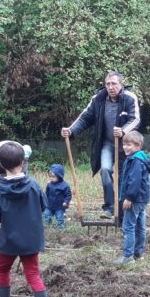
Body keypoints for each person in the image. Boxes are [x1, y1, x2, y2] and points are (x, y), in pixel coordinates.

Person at [60, 71, 141, 219]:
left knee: (124, 177)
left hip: (126, 146)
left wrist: (123, 131)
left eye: (114, 84)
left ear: (121, 85)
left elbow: (135, 119)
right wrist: (71, 131)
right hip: (107, 143)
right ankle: (110, 208)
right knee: (105, 170)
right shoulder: (98, 98)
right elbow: (85, 118)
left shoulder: (129, 98)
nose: (110, 87)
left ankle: (123, 211)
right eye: (108, 84)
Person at [0, 142, 51, 297]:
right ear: (23, 162)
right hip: (31, 239)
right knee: (33, 274)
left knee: (2, 270)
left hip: (8, 240)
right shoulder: (33, 185)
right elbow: (43, 206)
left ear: (0, 164)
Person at [115, 131, 150, 265]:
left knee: (128, 227)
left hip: (134, 199)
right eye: (124, 144)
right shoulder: (140, 158)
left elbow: (134, 181)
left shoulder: (135, 161)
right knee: (140, 226)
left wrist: (129, 198)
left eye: (129, 145)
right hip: (142, 199)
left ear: (138, 145)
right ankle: (138, 253)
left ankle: (128, 257)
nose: (125, 147)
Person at [43, 164, 72, 230]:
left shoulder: (64, 186)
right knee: (47, 215)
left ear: (59, 176)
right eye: (50, 176)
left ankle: (60, 228)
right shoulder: (49, 185)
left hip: (59, 206)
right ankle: (47, 227)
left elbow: (68, 195)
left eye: (53, 177)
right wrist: (45, 201)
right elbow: (46, 194)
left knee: (59, 218)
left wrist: (66, 202)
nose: (51, 178)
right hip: (49, 205)